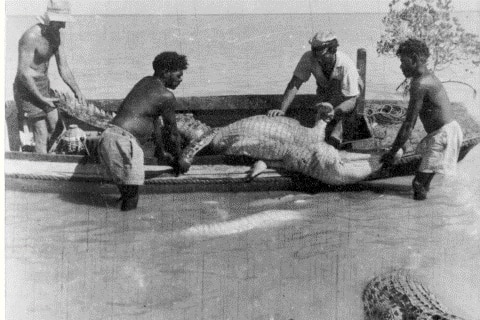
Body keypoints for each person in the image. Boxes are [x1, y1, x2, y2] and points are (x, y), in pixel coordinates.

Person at [97, 52, 191, 211]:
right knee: (132, 200)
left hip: (109, 136)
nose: (181, 79)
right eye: (178, 74)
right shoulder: (166, 96)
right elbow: (172, 132)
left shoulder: (145, 82)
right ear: (166, 72)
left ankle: (121, 225)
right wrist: (180, 158)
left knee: (126, 196)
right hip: (124, 142)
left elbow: (155, 123)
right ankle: (129, 231)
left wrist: (161, 152)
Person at [381, 39, 463, 200]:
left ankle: (421, 216)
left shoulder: (420, 84)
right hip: (446, 132)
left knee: (418, 184)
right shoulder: (426, 77)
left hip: (443, 135)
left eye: (403, 61)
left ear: (414, 58)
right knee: (424, 183)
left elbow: (408, 124)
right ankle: (430, 216)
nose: (401, 66)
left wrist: (392, 152)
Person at [13, 0, 86, 153]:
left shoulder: (56, 37)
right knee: (41, 131)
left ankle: (48, 154)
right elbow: (23, 73)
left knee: (56, 126)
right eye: (61, 22)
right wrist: (40, 97)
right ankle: (42, 162)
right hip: (26, 89)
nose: (64, 26)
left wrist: (77, 91)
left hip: (43, 85)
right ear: (50, 19)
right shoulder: (30, 36)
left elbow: (63, 67)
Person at [267, 31, 361, 148]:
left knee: (334, 140)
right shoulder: (309, 57)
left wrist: (334, 112)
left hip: (347, 99)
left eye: (322, 56)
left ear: (332, 50)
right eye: (316, 55)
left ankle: (338, 135)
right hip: (325, 93)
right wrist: (282, 110)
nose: (319, 59)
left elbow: (351, 100)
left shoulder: (346, 65)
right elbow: (294, 84)